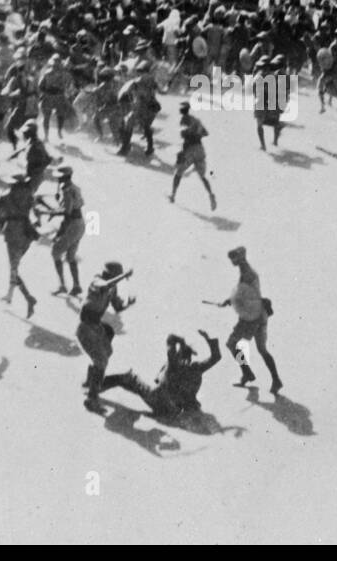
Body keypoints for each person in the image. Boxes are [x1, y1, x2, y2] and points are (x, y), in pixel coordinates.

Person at [99, 330, 221, 419]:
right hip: (175, 408)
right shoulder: (196, 368)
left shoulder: (174, 364)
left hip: (158, 401)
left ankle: (96, 386)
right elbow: (216, 357)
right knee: (134, 385)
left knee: (130, 378)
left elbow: (170, 339)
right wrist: (209, 339)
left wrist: (182, 342)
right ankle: (98, 385)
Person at [217, 246, 281, 393]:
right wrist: (230, 300)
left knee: (231, 343)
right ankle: (276, 380)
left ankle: (246, 373)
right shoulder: (248, 271)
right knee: (262, 349)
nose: (232, 260)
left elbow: (242, 295)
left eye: (234, 257)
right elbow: (248, 294)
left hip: (250, 318)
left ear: (240, 258)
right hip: (260, 314)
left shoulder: (246, 273)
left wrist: (231, 301)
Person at [77, 261, 134, 411]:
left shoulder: (112, 288)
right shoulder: (96, 281)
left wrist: (128, 304)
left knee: (107, 348)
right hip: (85, 327)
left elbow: (117, 307)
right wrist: (123, 276)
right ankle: (92, 399)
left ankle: (90, 380)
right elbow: (103, 286)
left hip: (96, 326)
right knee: (101, 361)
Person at [0, 172, 42, 313]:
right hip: (27, 232)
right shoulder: (30, 195)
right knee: (14, 266)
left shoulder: (6, 197)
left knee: (13, 267)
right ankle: (11, 294)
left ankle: (28, 297)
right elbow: (36, 212)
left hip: (13, 233)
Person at [46, 165, 85, 295]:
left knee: (55, 252)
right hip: (80, 223)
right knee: (70, 256)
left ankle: (62, 285)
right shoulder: (75, 188)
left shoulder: (67, 190)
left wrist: (54, 213)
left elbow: (67, 212)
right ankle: (76, 285)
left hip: (73, 224)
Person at [169, 101, 216, 210]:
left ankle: (173, 195)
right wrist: (197, 134)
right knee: (202, 176)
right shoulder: (196, 120)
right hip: (199, 149)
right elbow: (206, 133)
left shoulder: (183, 121)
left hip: (189, 150)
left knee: (178, 173)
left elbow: (183, 134)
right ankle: (211, 194)